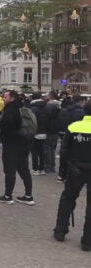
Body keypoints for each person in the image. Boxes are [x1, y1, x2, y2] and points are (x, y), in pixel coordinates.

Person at [53, 101, 91, 251]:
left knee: (67, 199)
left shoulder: (74, 127)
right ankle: (87, 241)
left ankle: (60, 230)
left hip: (75, 169)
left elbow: (64, 151)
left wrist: (62, 170)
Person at [0, 90, 34, 205]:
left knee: (10, 170)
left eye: (6, 96)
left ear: (12, 98)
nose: (3, 98)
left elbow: (7, 126)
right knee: (24, 170)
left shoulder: (10, 110)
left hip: (11, 144)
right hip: (24, 144)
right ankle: (28, 195)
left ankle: (8, 196)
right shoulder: (22, 108)